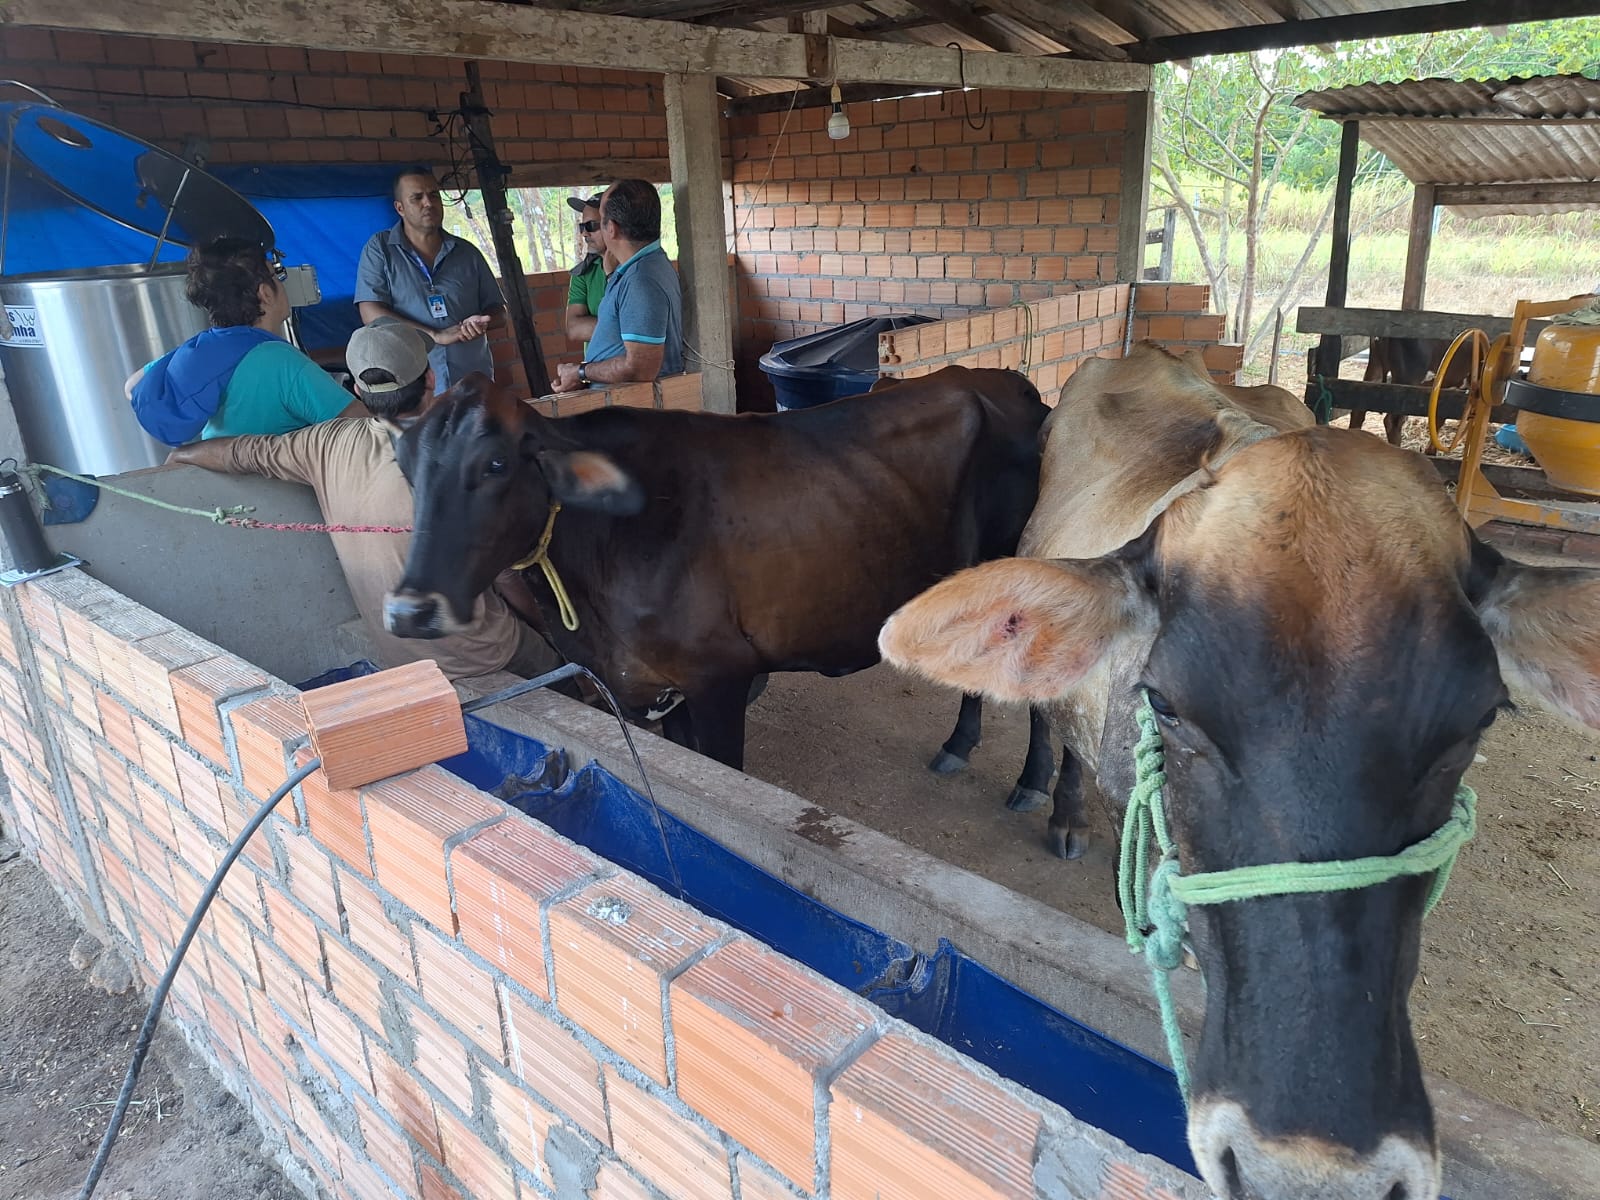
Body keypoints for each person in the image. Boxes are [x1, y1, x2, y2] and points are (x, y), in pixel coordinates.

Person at [166, 321, 558, 682]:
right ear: (432, 380)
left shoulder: (322, 444)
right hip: (479, 657)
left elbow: (244, 452)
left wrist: (183, 454)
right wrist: (546, 626)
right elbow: (507, 575)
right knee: (559, 663)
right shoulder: (461, 462)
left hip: (397, 656)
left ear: (356, 391)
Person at [127, 237, 364, 445]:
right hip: (283, 490)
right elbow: (364, 429)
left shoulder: (204, 349)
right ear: (265, 293)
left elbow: (132, 386)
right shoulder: (280, 361)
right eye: (277, 275)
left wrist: (200, 352)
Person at [354, 168, 507, 393]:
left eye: (434, 195)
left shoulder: (466, 252)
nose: (428, 203)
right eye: (417, 198)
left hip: (473, 381)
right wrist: (434, 335)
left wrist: (480, 323)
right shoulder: (380, 250)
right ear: (400, 208)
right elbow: (370, 313)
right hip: (413, 385)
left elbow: (500, 312)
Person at [552, 179, 682, 393]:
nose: (586, 233)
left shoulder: (641, 280)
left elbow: (640, 368)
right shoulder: (643, 268)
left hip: (633, 413)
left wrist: (580, 373)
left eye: (598, 222)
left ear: (611, 229)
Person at [564, 192, 609, 354]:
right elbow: (574, 329)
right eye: (582, 227)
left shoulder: (636, 270)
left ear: (613, 226)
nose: (584, 234)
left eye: (591, 226)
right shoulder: (583, 273)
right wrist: (625, 329)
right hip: (595, 371)